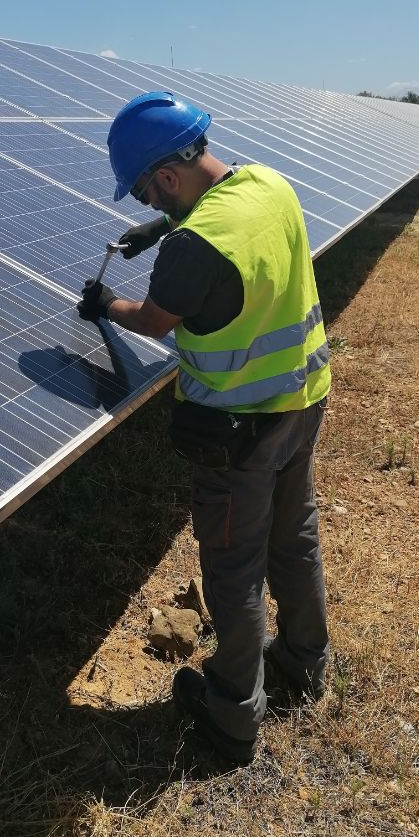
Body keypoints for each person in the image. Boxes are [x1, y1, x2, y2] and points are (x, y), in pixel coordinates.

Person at [78, 90, 331, 768]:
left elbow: (153, 320)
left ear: (166, 174)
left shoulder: (193, 246)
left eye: (145, 193)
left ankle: (232, 715)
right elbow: (224, 220)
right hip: (303, 401)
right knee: (294, 537)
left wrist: (107, 302)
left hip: (236, 433)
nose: (148, 203)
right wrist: (156, 229)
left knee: (233, 569)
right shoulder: (270, 184)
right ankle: (304, 663)